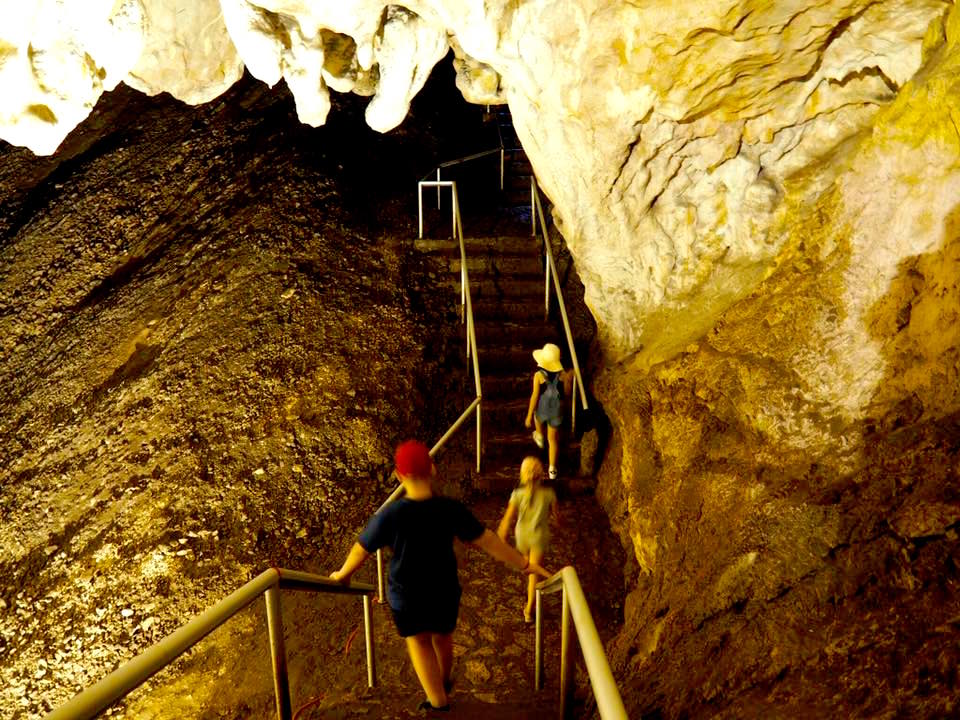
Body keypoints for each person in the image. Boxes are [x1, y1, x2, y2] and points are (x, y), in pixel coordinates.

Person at [330, 440, 550, 713]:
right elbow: (488, 540)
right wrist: (524, 564)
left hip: (406, 596)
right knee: (443, 637)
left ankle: (438, 701)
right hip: (444, 591)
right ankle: (444, 680)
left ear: (400, 476)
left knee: (419, 642)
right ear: (432, 469)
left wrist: (343, 574)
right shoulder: (450, 509)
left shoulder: (390, 515)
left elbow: (360, 550)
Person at [497, 456, 559, 623]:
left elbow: (508, 518)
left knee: (529, 569)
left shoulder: (517, 494)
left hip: (522, 536)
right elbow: (558, 518)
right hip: (539, 536)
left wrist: (502, 533)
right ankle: (530, 609)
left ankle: (531, 598)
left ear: (522, 476)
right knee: (533, 575)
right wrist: (560, 522)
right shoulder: (549, 494)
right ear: (542, 475)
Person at [524, 342, 573, 480]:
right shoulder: (563, 375)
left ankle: (539, 435)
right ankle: (552, 469)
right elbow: (566, 394)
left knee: (536, 416)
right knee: (552, 440)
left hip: (542, 409)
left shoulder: (538, 375)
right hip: (557, 410)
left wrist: (528, 416)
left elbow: (534, 396)